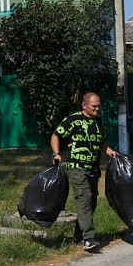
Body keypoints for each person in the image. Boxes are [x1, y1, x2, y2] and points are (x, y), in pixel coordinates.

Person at [51, 92, 117, 252]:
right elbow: (55, 135)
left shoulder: (99, 122)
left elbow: (101, 142)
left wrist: (109, 151)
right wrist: (56, 154)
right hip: (76, 167)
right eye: (94, 106)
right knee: (84, 198)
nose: (97, 109)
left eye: (99, 106)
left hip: (93, 169)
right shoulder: (73, 120)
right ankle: (89, 239)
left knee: (92, 201)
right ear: (84, 105)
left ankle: (78, 236)